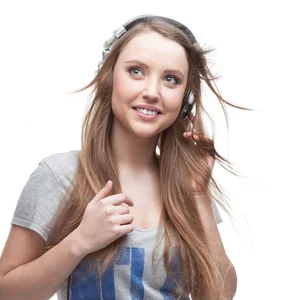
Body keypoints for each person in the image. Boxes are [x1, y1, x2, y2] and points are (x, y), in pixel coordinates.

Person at [0, 15, 245, 300]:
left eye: (170, 79)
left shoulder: (186, 186)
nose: (152, 92)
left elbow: (218, 296)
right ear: (109, 76)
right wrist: (79, 241)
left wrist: (198, 195)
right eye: (136, 71)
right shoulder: (59, 176)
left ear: (186, 97)